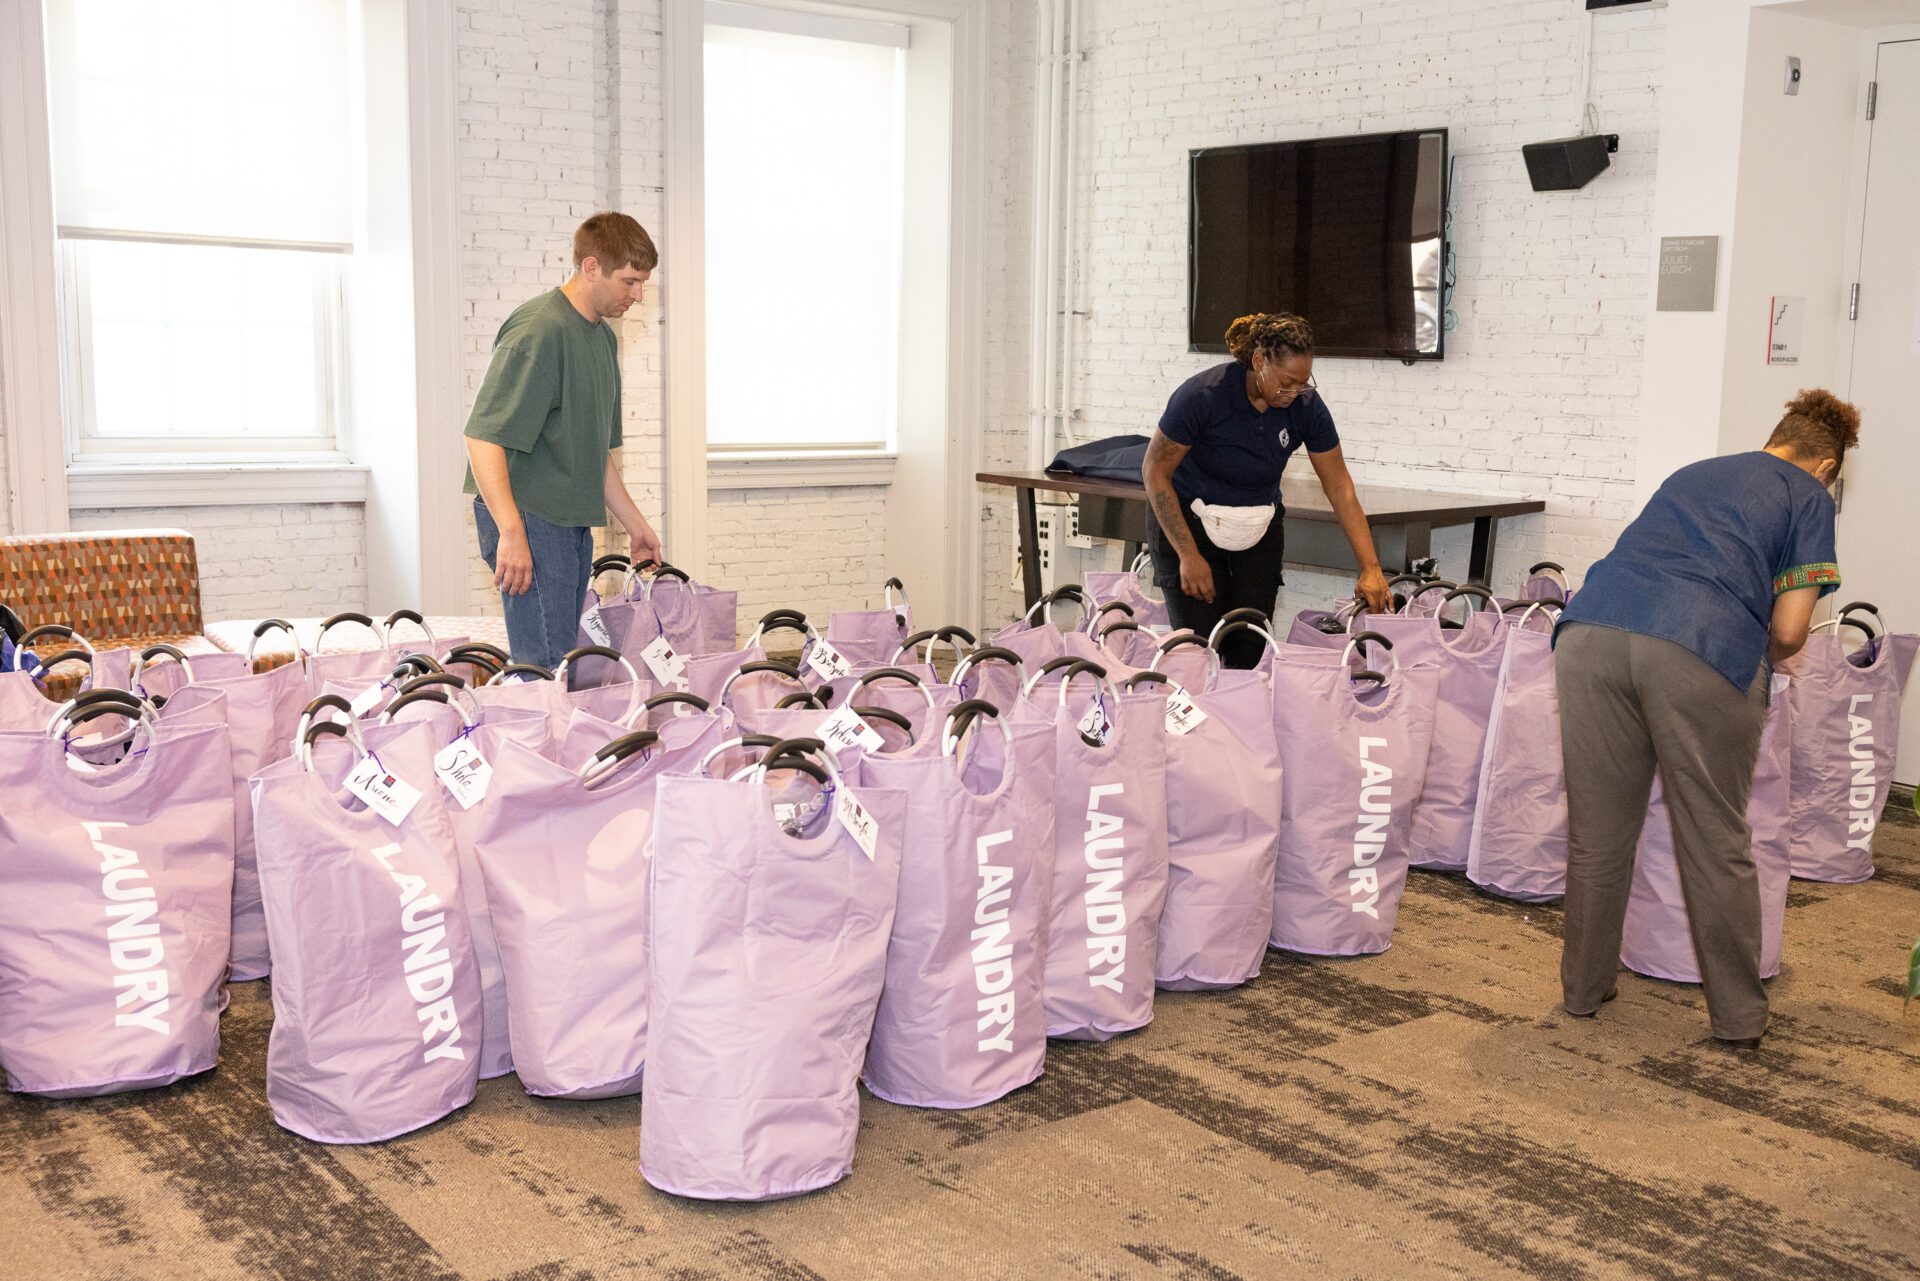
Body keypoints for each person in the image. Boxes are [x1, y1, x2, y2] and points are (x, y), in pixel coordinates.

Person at [1553, 388, 1858, 1049]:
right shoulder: (1808, 496)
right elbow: (1790, 631)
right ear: (1827, 465)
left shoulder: (1695, 472)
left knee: (1599, 834)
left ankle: (1583, 990)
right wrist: (1752, 646)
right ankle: (1739, 1019)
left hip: (1589, 634)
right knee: (1714, 838)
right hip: (1696, 648)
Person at [463, 212, 665, 671]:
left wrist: (636, 526)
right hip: (528, 517)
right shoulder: (538, 331)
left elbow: (593, 452)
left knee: (562, 661)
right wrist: (511, 532)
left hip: (569, 521)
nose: (637, 295)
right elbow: (481, 438)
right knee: (544, 666)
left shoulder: (601, 339)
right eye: (629, 282)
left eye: (642, 284)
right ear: (591, 267)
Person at [1141, 313, 1391, 667]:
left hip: (1258, 529)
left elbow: (1339, 487)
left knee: (1251, 652)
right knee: (1198, 655)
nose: (1295, 392)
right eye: (1287, 382)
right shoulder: (1202, 396)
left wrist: (1370, 567)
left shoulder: (1305, 406)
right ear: (1259, 361)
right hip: (1190, 526)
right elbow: (1154, 471)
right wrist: (1187, 555)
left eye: (1303, 383)